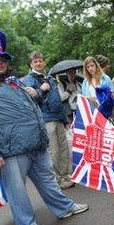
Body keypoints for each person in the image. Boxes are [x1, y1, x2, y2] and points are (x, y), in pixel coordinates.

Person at [0, 28, 88, 225]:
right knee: (17, 191)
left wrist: (36, 95)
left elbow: (31, 107)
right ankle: (27, 224)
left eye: (2, 58)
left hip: (35, 144)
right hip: (9, 151)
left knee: (49, 181)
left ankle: (64, 208)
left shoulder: (12, 81)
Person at [22, 51, 75, 190]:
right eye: (35, 61)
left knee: (63, 149)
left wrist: (64, 119)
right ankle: (57, 180)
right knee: (54, 150)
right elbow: (30, 100)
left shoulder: (50, 79)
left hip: (58, 118)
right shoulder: (29, 79)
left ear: (44, 62)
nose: (38, 63)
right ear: (31, 64)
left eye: (40, 61)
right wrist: (40, 89)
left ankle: (65, 175)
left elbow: (58, 101)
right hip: (46, 119)